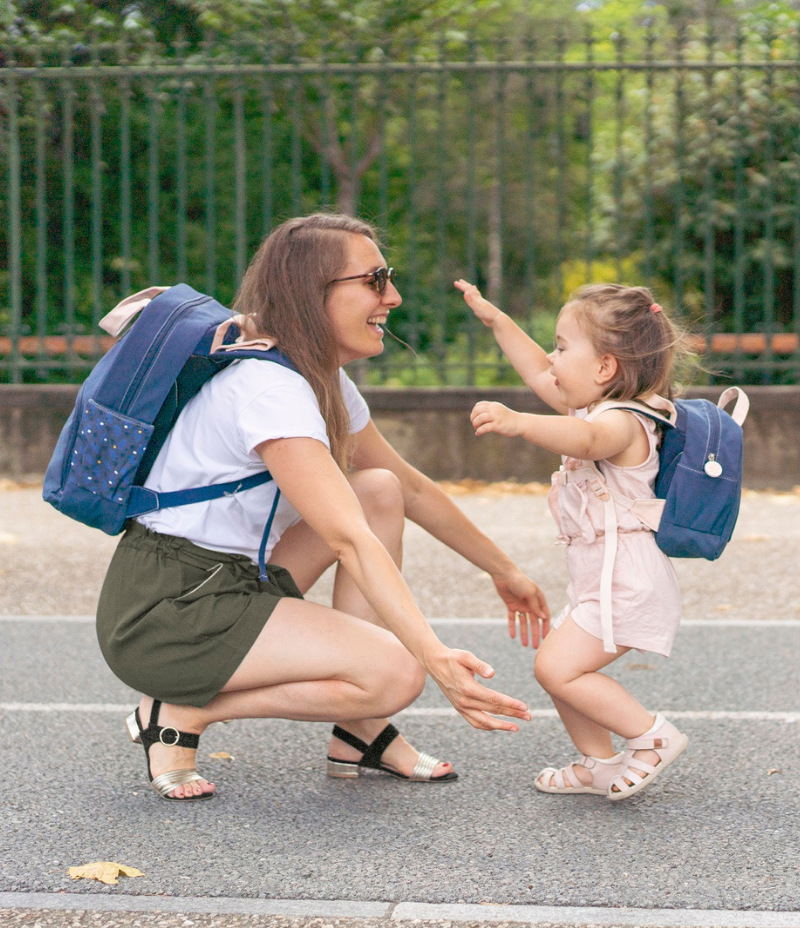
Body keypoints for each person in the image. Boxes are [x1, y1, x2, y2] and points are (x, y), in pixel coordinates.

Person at [96, 213, 550, 802]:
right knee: (398, 671)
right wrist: (431, 654)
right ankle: (183, 709)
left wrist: (503, 569)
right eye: (374, 279)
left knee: (378, 487)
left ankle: (359, 733)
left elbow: (406, 489)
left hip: (229, 578)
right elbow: (346, 540)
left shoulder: (314, 375)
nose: (393, 295)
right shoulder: (270, 389)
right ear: (313, 295)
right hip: (168, 610)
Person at [456, 279, 690, 801]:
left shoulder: (624, 421)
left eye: (562, 347)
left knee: (556, 668)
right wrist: (497, 321)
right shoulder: (593, 404)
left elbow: (586, 441)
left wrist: (518, 422)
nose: (552, 359)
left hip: (628, 576)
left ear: (604, 367)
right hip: (598, 574)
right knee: (561, 667)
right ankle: (598, 763)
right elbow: (540, 372)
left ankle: (650, 736)